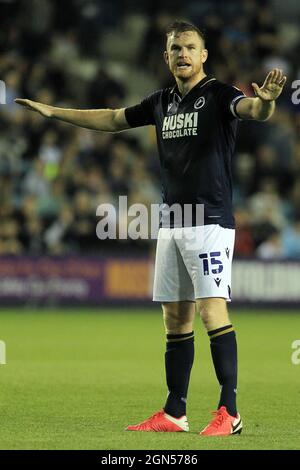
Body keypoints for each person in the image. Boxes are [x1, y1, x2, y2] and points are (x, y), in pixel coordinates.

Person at [16, 20, 286, 436]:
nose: (182, 54)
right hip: (172, 223)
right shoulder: (161, 102)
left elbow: (252, 110)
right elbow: (111, 119)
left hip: (209, 222)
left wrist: (265, 102)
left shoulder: (218, 93)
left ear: (203, 55)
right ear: (166, 57)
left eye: (190, 47)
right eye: (175, 48)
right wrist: (55, 112)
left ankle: (229, 411)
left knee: (210, 309)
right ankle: (175, 412)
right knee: (175, 317)